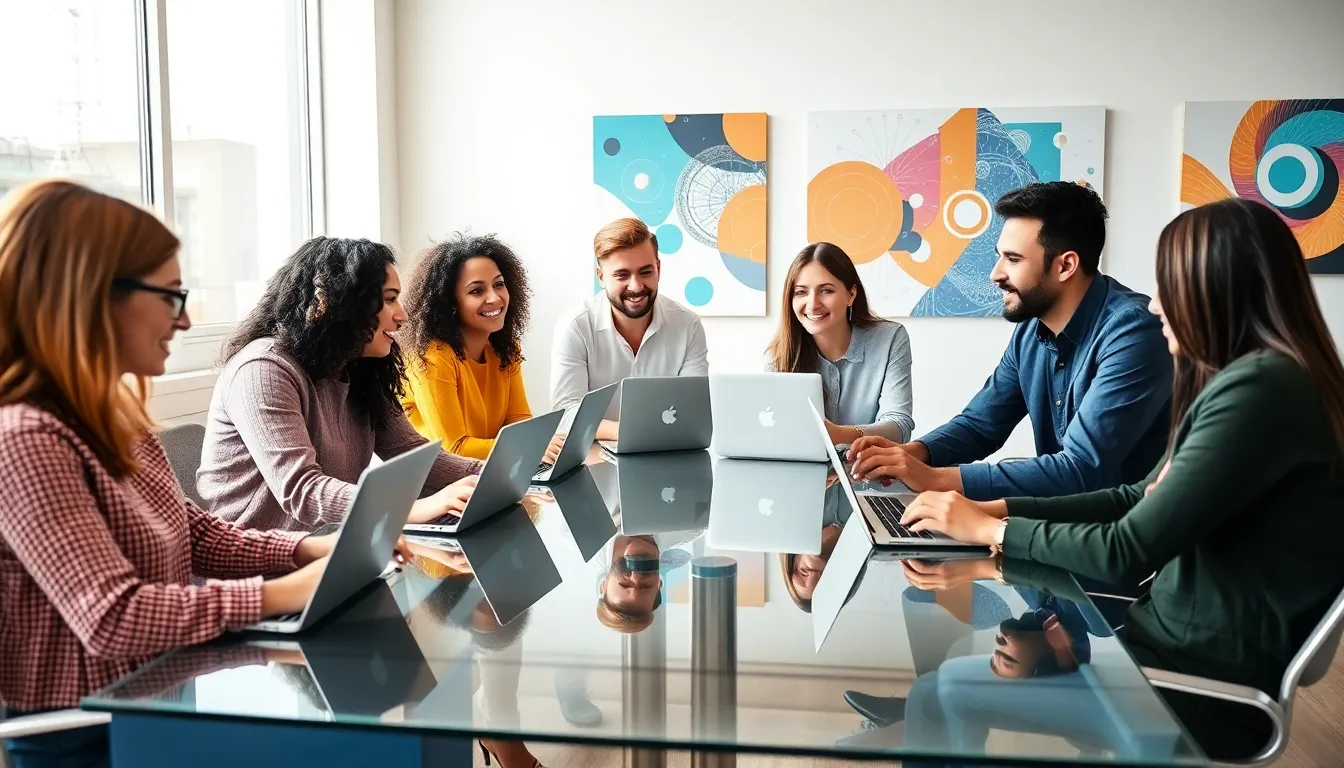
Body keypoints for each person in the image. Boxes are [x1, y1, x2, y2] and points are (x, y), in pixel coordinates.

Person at [894, 198, 1344, 760]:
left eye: (1168, 286)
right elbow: (1131, 497)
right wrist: (997, 513)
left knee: (940, 693)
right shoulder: (1251, 381)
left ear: (1216, 291)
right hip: (1157, 651)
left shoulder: (1260, 392)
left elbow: (1127, 548)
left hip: (1195, 690)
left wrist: (991, 532)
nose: (1157, 306)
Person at [0, 180, 358, 768]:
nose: (187, 320)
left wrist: (307, 551)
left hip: (161, 694)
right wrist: (281, 594)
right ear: (90, 296)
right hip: (83, 734)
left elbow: (191, 532)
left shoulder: (113, 415)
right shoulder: (25, 438)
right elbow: (113, 618)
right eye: (171, 295)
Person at [847, 181, 1172, 501]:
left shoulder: (1133, 332)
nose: (995, 273)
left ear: (1066, 266)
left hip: (1127, 539)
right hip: (1066, 525)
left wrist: (933, 478)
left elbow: (1080, 468)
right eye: (999, 256)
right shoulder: (1031, 330)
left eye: (1013, 259)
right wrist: (911, 454)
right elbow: (980, 425)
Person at [199, 237, 482, 533]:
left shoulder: (359, 367)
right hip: (260, 568)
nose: (402, 315)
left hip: (330, 549)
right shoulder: (262, 368)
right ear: (333, 302)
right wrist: (414, 508)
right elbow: (303, 492)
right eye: (388, 299)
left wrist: (494, 476)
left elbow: (414, 454)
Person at [548, 218, 708, 457]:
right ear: (601, 277)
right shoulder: (576, 326)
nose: (636, 286)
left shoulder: (688, 326)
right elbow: (566, 414)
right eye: (622, 275)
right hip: (592, 465)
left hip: (666, 460)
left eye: (646, 272)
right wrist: (631, 431)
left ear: (659, 269)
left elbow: (693, 412)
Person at [400, 233, 533, 459]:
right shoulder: (432, 359)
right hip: (437, 485)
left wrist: (541, 443)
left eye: (499, 284)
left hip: (490, 470)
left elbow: (519, 422)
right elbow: (454, 448)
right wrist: (529, 447)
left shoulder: (507, 347)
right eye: (476, 291)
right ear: (450, 302)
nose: (494, 298)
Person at [766, 242, 914, 445]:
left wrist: (837, 434)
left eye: (826, 291)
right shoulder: (778, 356)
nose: (812, 304)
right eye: (801, 292)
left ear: (851, 295)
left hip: (869, 471)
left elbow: (899, 427)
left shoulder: (890, 339)